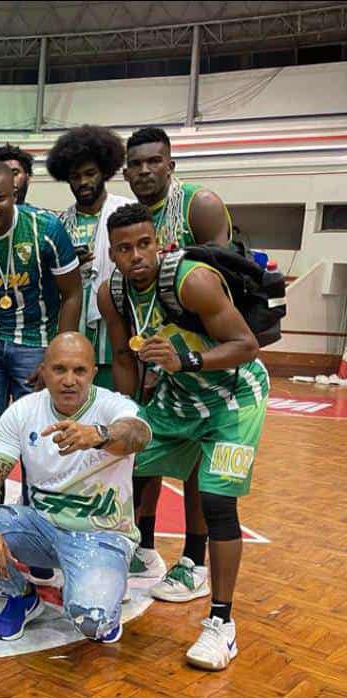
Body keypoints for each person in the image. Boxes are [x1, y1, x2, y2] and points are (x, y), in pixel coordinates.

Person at [98, 203, 268, 670]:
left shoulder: (191, 280)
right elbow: (121, 355)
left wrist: (187, 361)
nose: (137, 256)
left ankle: (222, 624)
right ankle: (135, 558)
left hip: (234, 399)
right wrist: (128, 413)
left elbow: (246, 346)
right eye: (125, 248)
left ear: (159, 243)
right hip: (177, 399)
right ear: (112, 255)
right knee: (122, 468)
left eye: (144, 244)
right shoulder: (110, 293)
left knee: (217, 503)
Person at [0, 332, 152, 642]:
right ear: (43, 371)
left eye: (79, 371)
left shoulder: (113, 405)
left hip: (101, 536)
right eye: (59, 369)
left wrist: (98, 435)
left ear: (92, 372)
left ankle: (105, 584)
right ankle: (22, 596)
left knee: (93, 624)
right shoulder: (23, 411)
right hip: (43, 529)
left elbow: (139, 434)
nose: (69, 380)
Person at [122, 126, 231, 585]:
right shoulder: (129, 219)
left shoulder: (198, 204)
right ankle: (143, 547)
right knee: (147, 454)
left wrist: (196, 356)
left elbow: (231, 283)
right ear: (125, 172)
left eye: (154, 161)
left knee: (198, 470)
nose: (145, 170)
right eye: (136, 164)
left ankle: (194, 559)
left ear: (171, 163)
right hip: (159, 360)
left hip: (208, 365)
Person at [0, 161, 82, 431]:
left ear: (14, 195)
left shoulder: (46, 229)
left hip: (37, 342)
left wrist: (55, 360)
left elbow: (72, 294)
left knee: (37, 429)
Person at [46, 125, 131, 390]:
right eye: (75, 176)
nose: (83, 182)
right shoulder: (59, 223)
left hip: (115, 330)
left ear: (104, 172)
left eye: (90, 174)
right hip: (74, 326)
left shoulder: (126, 211)